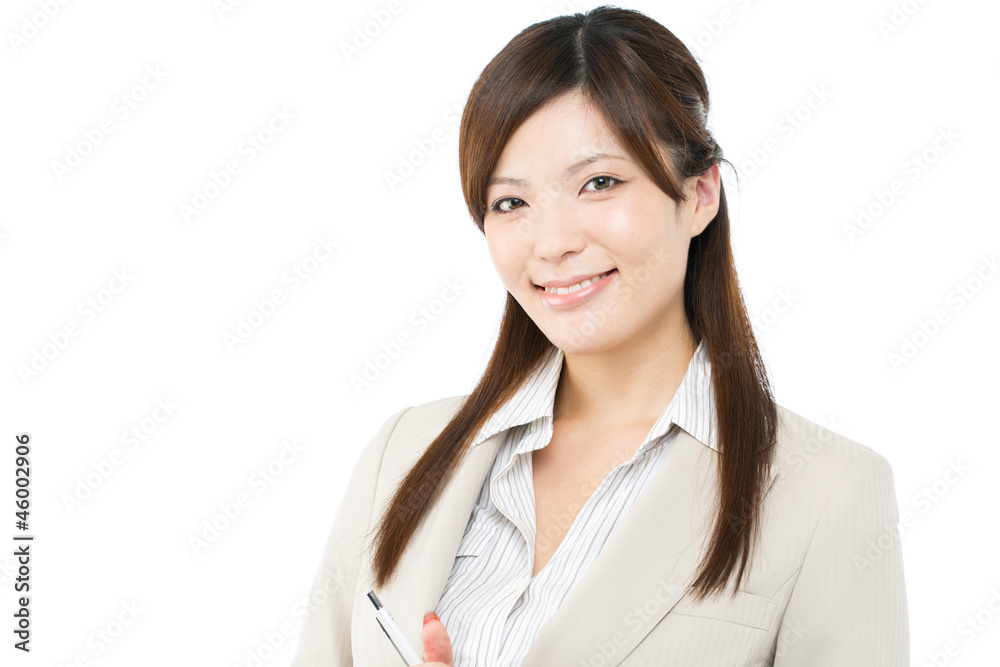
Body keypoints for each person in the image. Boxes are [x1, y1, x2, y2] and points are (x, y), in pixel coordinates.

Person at [291, 6, 909, 666]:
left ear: (699, 195)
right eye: (511, 202)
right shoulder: (401, 454)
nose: (553, 243)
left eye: (600, 183)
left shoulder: (827, 492)